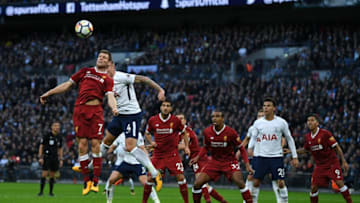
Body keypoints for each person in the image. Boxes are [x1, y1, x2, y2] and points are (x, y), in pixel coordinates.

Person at [40, 50, 118, 195]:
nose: (101, 58)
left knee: (95, 144)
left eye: (104, 58)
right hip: (80, 110)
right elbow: (67, 85)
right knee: (82, 145)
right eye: (100, 56)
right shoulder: (85, 71)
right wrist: (49, 93)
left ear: (108, 63)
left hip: (96, 112)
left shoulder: (107, 79)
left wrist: (114, 107)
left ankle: (95, 181)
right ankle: (86, 181)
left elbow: (110, 96)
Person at [100, 61, 165, 191]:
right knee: (106, 140)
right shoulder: (105, 82)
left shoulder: (122, 77)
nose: (105, 70)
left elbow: (144, 79)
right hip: (119, 115)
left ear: (112, 66)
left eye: (107, 67)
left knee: (130, 146)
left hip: (131, 115)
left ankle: (154, 172)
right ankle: (90, 165)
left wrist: (160, 90)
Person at [190, 109, 253, 203]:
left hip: (229, 161)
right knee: (197, 183)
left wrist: (247, 165)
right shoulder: (207, 132)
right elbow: (206, 147)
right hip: (214, 162)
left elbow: (242, 149)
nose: (214, 119)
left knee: (240, 182)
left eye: (217, 116)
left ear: (223, 119)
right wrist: (197, 157)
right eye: (213, 116)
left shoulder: (231, 132)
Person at [292, 114, 352, 203]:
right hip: (320, 166)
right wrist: (292, 151)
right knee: (313, 187)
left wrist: (343, 161)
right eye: (308, 120)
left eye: (312, 120)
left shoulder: (325, 134)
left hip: (332, 163)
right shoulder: (307, 136)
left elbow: (337, 147)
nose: (309, 122)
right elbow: (305, 149)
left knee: (339, 183)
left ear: (317, 123)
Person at [249, 97, 298, 203]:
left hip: (276, 157)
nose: (266, 108)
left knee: (280, 182)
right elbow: (253, 137)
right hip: (260, 157)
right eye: (264, 106)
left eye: (268, 106)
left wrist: (294, 157)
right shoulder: (258, 123)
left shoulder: (281, 122)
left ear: (274, 108)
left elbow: (289, 139)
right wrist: (250, 148)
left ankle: (284, 201)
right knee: (256, 182)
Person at [143, 100, 190, 203]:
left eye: (168, 106)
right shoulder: (153, 120)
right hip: (158, 155)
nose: (165, 108)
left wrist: (186, 147)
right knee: (149, 179)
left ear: (171, 108)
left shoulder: (176, 120)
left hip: (172, 155)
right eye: (164, 105)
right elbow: (147, 133)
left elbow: (184, 133)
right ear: (160, 107)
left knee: (181, 177)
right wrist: (152, 142)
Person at [176, 113, 227, 203]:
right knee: (204, 184)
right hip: (196, 157)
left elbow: (183, 145)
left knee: (200, 181)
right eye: (178, 119)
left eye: (182, 118)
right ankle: (223, 201)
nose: (180, 120)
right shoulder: (179, 132)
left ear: (185, 120)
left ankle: (208, 200)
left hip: (198, 157)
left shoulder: (187, 132)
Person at [241, 109, 285, 203]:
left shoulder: (272, 126)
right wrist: (239, 150)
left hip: (273, 156)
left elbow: (282, 139)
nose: (260, 117)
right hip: (258, 156)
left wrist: (279, 148)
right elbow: (247, 139)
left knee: (276, 179)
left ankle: (280, 200)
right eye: (259, 115)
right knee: (251, 177)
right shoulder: (253, 128)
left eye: (262, 115)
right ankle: (247, 200)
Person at [105, 132, 160, 203]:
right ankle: (109, 201)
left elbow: (142, 148)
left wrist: (148, 161)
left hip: (137, 163)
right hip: (126, 162)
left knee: (146, 183)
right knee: (111, 180)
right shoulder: (120, 135)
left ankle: (156, 201)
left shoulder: (137, 134)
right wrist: (109, 154)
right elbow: (112, 147)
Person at [37, 122, 63, 196]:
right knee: (44, 174)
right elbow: (41, 146)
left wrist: (61, 159)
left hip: (55, 158)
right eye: (55, 126)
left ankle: (50, 193)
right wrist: (40, 157)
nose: (57, 127)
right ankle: (41, 192)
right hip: (47, 157)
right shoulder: (47, 135)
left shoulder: (59, 137)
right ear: (52, 127)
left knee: (52, 175)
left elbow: (60, 149)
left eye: (58, 126)